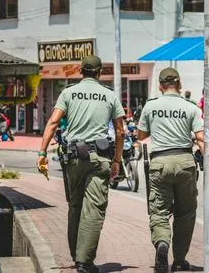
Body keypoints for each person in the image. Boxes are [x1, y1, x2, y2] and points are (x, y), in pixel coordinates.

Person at [36, 55, 126, 273]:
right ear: (99, 72)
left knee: (75, 206)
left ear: (80, 71)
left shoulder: (68, 93)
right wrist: (117, 160)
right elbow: (121, 130)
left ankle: (77, 255)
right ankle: (84, 262)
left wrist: (42, 152)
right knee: (93, 209)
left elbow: (54, 121)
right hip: (99, 158)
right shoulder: (109, 95)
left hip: (74, 158)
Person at [137, 68, 204, 273]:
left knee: (159, 212)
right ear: (180, 84)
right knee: (186, 212)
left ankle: (162, 243)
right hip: (185, 161)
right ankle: (179, 259)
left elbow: (141, 135)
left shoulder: (151, 107)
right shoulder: (190, 107)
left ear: (160, 85)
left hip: (160, 163)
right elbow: (201, 138)